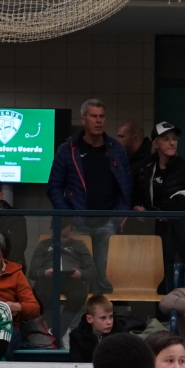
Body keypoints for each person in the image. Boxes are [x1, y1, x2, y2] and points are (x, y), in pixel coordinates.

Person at [47, 99, 133, 287]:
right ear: (83, 119)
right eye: (94, 116)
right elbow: (54, 187)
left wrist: (119, 217)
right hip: (78, 223)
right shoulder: (67, 150)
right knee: (78, 279)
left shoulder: (116, 149)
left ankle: (105, 308)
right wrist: (68, 216)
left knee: (106, 279)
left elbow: (126, 187)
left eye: (102, 116)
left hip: (108, 223)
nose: (98, 121)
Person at [132, 121, 185, 280]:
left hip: (184, 231)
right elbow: (138, 194)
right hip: (155, 229)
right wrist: (139, 207)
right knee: (158, 271)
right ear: (155, 144)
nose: (172, 143)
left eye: (174, 139)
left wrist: (168, 208)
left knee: (184, 272)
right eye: (166, 139)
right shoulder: (146, 167)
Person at [29, 216, 102, 345]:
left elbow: (92, 271)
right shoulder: (43, 245)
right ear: (51, 229)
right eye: (58, 236)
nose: (61, 240)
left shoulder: (79, 245)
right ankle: (55, 331)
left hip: (72, 279)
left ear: (72, 230)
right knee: (41, 293)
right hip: (48, 279)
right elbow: (32, 272)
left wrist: (81, 273)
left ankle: (57, 331)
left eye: (65, 236)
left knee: (79, 294)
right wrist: (44, 273)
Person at [0, 230, 41, 341]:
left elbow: (34, 308)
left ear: (3, 254)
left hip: (7, 326)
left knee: (1, 344)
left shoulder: (15, 273)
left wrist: (16, 306)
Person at [70, 294, 125, 363]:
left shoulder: (121, 335)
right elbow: (78, 365)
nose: (109, 322)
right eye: (103, 318)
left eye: (111, 317)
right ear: (89, 319)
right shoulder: (77, 336)